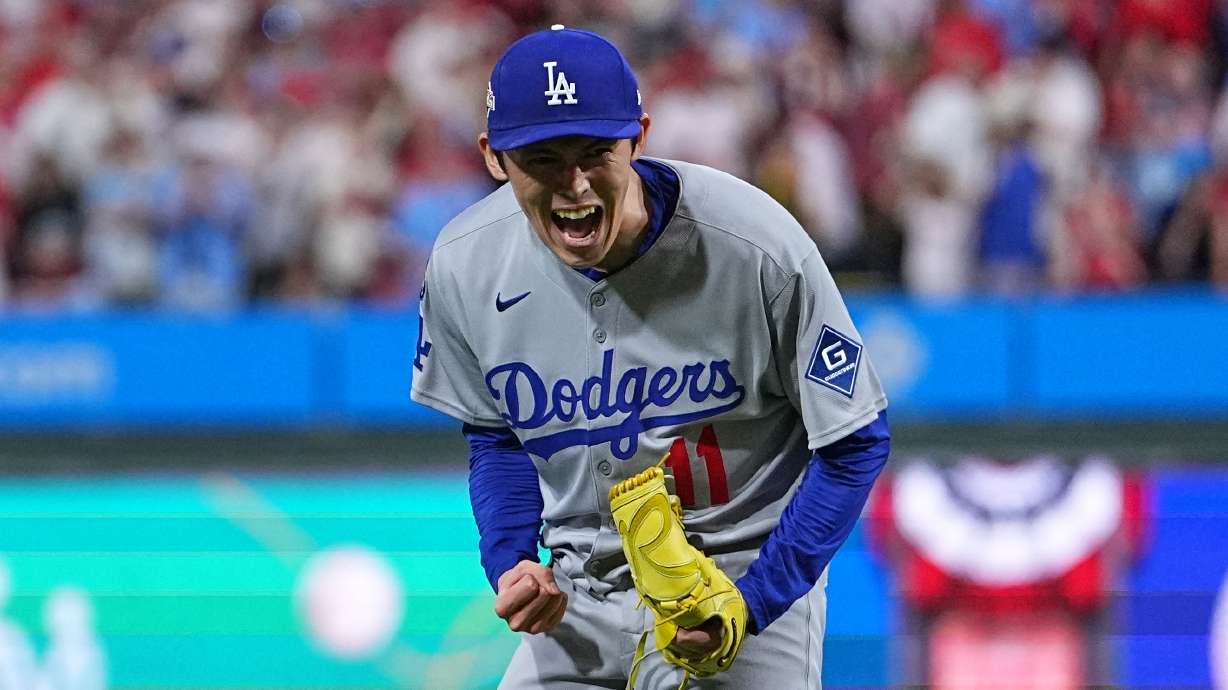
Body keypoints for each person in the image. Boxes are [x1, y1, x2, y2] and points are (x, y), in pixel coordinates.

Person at [410, 25, 891, 689]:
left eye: (595, 152)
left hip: (739, 584)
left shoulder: (755, 247)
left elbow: (855, 441)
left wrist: (755, 601)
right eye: (543, 158)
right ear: (495, 157)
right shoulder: (467, 264)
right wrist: (512, 560)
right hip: (579, 600)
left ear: (638, 135)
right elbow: (496, 438)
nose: (574, 184)